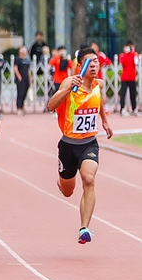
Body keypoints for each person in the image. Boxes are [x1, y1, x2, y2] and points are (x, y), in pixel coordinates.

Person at [47, 47, 113, 244]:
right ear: (79, 65)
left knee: (89, 179)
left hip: (89, 143)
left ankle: (84, 228)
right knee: (68, 191)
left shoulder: (98, 84)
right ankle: (61, 182)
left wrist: (105, 121)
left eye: (95, 62)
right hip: (68, 145)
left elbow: (99, 101)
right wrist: (68, 89)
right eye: (89, 62)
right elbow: (51, 106)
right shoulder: (70, 82)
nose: (93, 65)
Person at [118, 40, 139, 116]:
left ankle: (134, 109)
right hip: (124, 77)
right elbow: (121, 62)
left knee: (133, 94)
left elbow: (136, 62)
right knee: (123, 94)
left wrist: (133, 52)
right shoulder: (122, 55)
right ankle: (122, 108)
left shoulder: (134, 55)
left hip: (132, 77)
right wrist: (126, 54)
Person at [15, 46, 31, 115]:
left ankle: (22, 107)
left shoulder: (27, 60)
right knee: (20, 94)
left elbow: (28, 70)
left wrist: (30, 79)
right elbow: (15, 68)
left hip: (26, 79)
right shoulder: (18, 59)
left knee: (24, 93)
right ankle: (18, 108)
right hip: (20, 79)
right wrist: (19, 77)